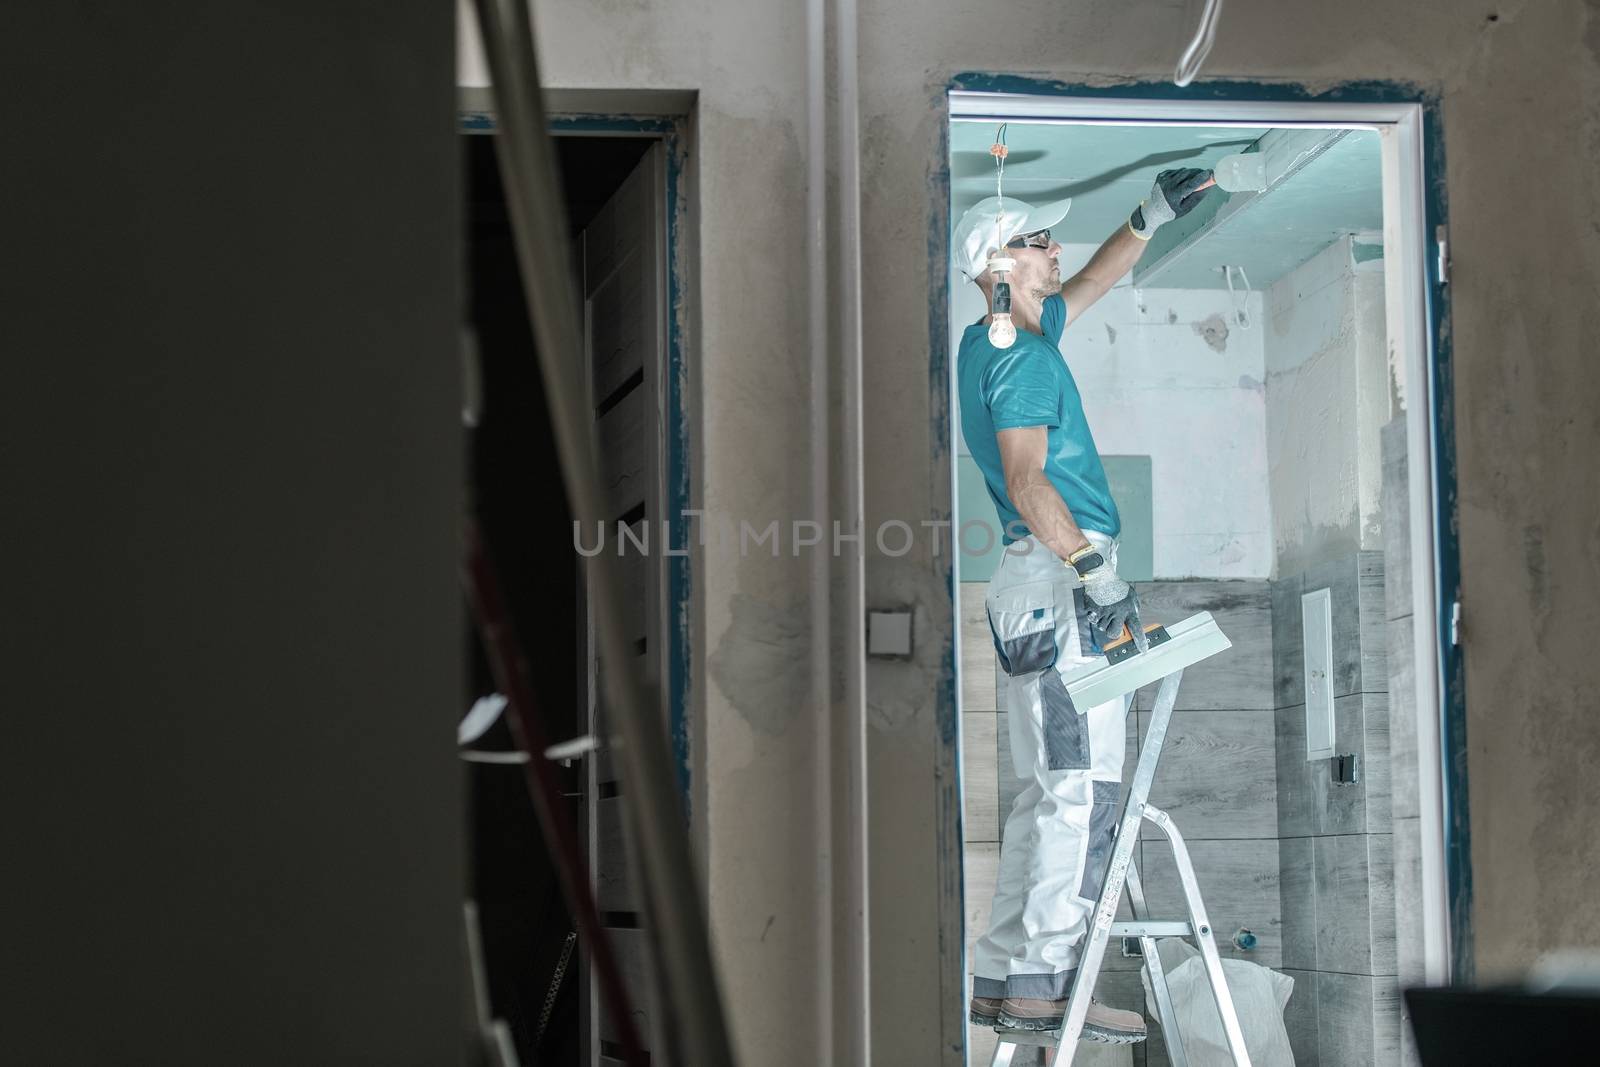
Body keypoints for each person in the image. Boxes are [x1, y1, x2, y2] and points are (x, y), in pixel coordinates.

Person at [954, 168, 1214, 1042]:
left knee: (1045, 790)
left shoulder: (996, 340)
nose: (1053, 250)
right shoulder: (1021, 359)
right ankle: (1048, 983)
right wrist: (1097, 575)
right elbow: (1029, 482)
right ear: (995, 263)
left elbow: (1093, 281)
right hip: (1062, 581)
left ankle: (1005, 976)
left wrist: (1148, 217)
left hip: (1033, 587)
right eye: (1035, 242)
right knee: (1086, 788)